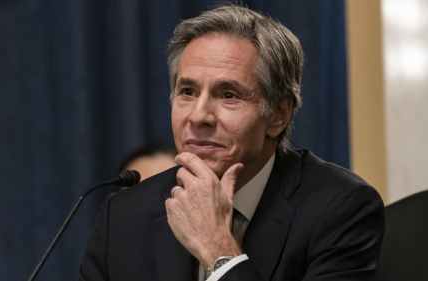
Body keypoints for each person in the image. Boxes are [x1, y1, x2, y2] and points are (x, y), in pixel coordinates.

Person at [80, 4, 384, 281]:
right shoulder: (123, 216)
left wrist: (220, 253)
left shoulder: (340, 209)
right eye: (187, 92)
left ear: (278, 115)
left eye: (229, 95)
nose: (199, 116)